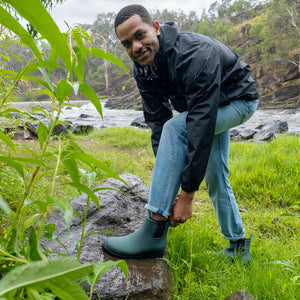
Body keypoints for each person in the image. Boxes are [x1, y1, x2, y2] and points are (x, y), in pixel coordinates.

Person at [102, 4, 259, 262]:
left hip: (238, 100)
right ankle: (239, 247)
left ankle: (155, 228)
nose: (136, 47)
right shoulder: (142, 68)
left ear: (155, 28)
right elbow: (156, 121)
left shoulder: (195, 54)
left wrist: (186, 195)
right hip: (207, 106)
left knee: (177, 127)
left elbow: (198, 123)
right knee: (215, 173)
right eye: (127, 43)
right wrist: (170, 183)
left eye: (140, 35)